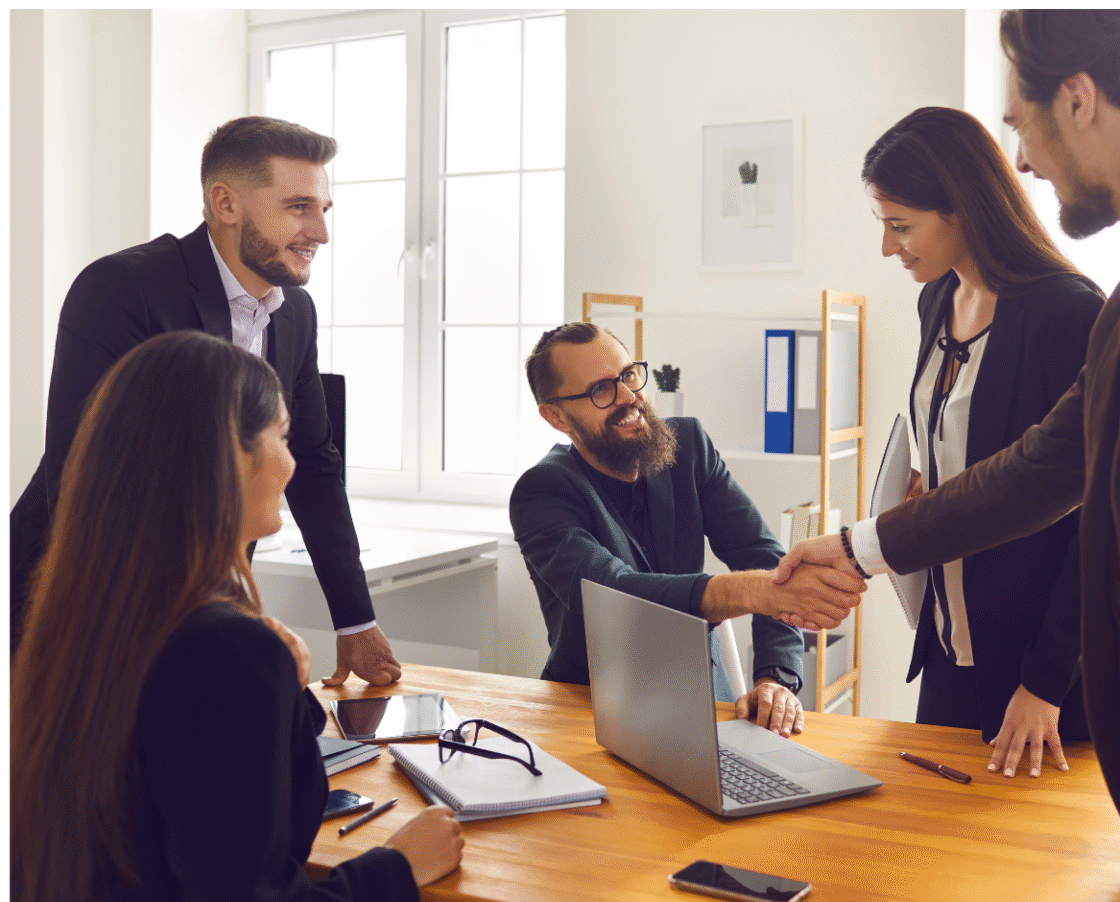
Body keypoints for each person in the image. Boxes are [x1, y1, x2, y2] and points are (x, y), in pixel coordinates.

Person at [775, 11, 1120, 902]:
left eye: (1020, 122)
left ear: (1077, 100)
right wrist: (857, 548)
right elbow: (1039, 470)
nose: (1024, 159)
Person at [10, 331, 464, 901]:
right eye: (281, 435)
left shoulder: (73, 621)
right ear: (226, 456)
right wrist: (395, 867)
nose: (293, 463)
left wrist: (285, 686)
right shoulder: (223, 650)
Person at [9, 116, 401, 687]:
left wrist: (355, 619)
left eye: (324, 209)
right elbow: (83, 470)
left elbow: (314, 464)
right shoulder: (122, 287)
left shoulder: (295, 313)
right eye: (298, 207)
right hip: (75, 598)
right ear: (225, 202)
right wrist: (200, 621)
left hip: (197, 607)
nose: (320, 230)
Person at [861, 106, 1104, 779]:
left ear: (963, 208)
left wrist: (1048, 679)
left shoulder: (1069, 312)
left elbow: (1100, 518)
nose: (888, 247)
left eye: (901, 225)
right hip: (945, 651)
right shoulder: (935, 300)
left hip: (1040, 679)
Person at [510, 323, 866, 736]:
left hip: (703, 697)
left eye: (628, 375)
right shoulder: (542, 492)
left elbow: (768, 561)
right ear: (556, 417)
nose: (629, 397)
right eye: (601, 391)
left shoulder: (689, 447)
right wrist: (751, 591)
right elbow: (613, 591)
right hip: (590, 712)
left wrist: (775, 679)